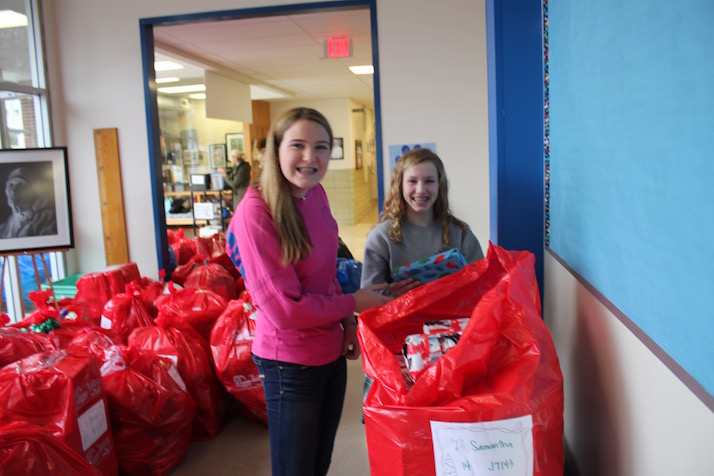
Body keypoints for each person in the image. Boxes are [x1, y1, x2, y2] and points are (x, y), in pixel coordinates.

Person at [225, 107, 391, 476]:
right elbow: (284, 311)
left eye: (321, 147)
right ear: (275, 150)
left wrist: (348, 322)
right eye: (297, 145)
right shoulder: (257, 212)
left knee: (318, 463)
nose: (310, 157)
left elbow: (328, 271)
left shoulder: (315, 194)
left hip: (328, 350)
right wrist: (356, 302)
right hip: (290, 363)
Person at [359, 147, 485, 404]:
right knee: (402, 416)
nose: (421, 190)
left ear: (440, 185)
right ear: (399, 185)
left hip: (448, 339)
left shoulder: (460, 233)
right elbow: (367, 302)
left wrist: (456, 286)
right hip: (398, 342)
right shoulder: (382, 237)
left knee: (446, 410)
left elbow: (483, 287)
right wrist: (392, 294)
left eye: (429, 181)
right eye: (412, 181)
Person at [0, 165, 57, 239]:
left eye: (20, 185)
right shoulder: (2, 229)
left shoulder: (47, 220)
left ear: (33, 192)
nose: (13, 191)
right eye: (11, 185)